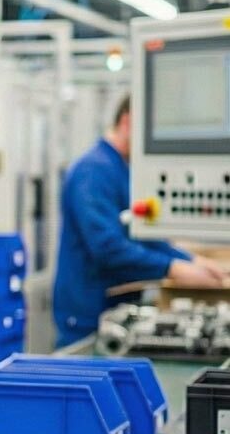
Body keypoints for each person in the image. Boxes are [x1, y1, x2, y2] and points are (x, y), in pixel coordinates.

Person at [53, 95, 227, 347]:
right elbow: (108, 247)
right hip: (88, 314)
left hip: (116, 310)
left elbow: (140, 233)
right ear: (127, 121)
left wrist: (191, 260)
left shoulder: (122, 168)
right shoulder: (93, 172)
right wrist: (174, 268)